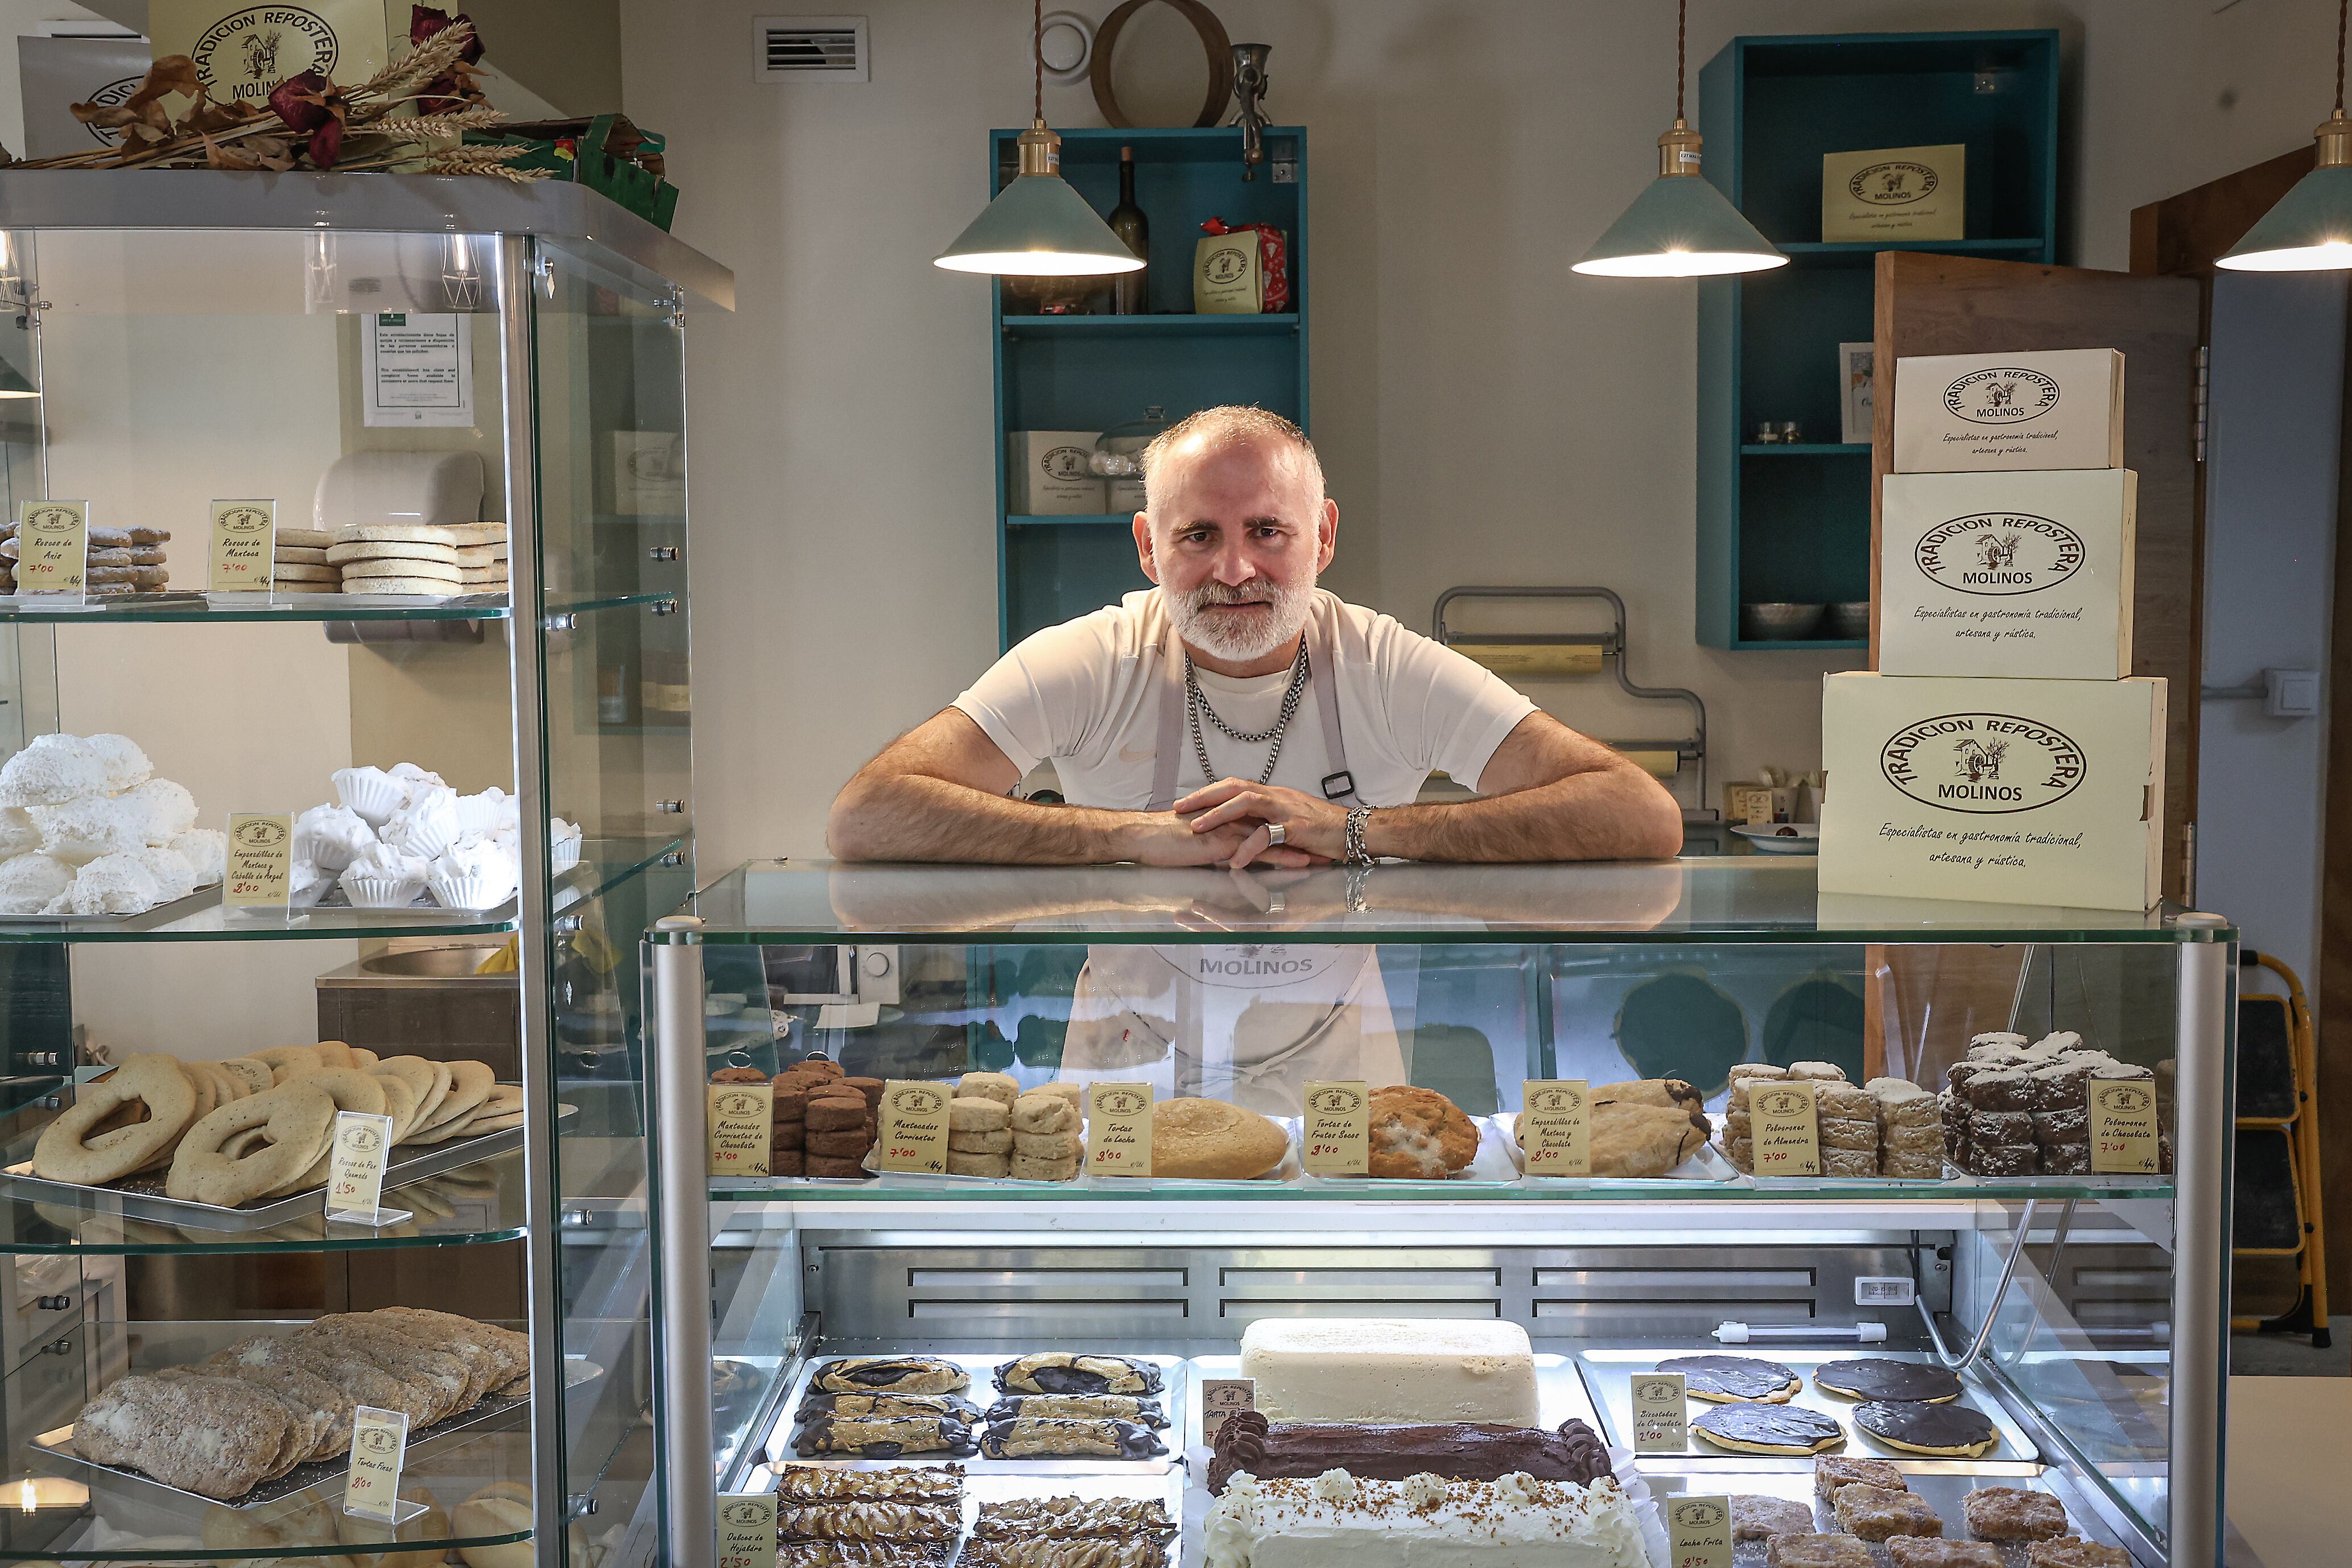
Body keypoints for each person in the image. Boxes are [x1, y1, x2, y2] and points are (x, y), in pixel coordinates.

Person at [827, 406, 1682, 1112]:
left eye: (1267, 531)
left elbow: (1638, 814)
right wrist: (1130, 838)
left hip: (1338, 1070)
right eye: (1198, 535)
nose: (1234, 570)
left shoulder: (1389, 667)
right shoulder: (1090, 659)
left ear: (1324, 535)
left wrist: (1357, 833)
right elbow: (869, 816)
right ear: (1147, 546)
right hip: (1126, 1060)